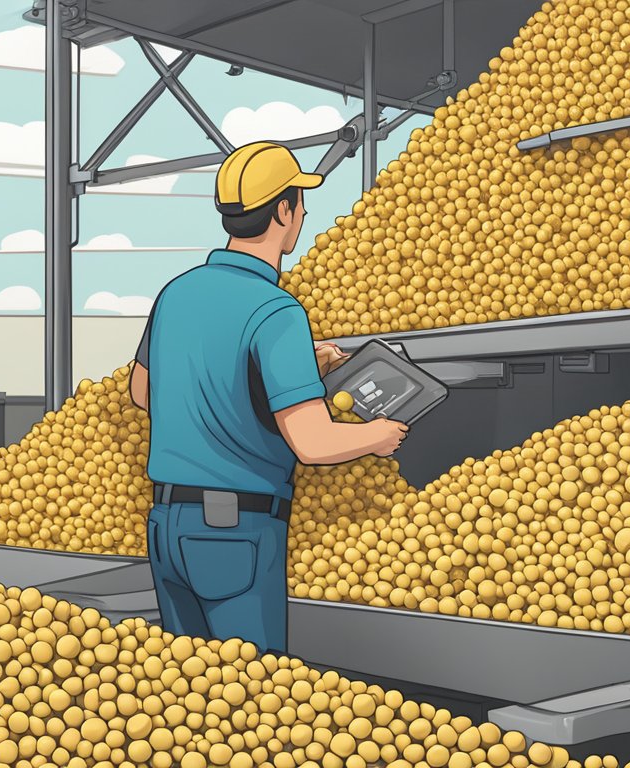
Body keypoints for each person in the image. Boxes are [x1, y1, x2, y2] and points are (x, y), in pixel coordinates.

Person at [128, 141, 409, 653]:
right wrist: (376, 435)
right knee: (252, 699)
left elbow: (143, 392)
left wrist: (287, 378)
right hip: (235, 534)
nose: (302, 213)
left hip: (167, 527)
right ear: (283, 210)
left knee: (188, 693)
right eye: (300, 202)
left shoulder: (176, 293)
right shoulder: (276, 311)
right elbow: (313, 443)